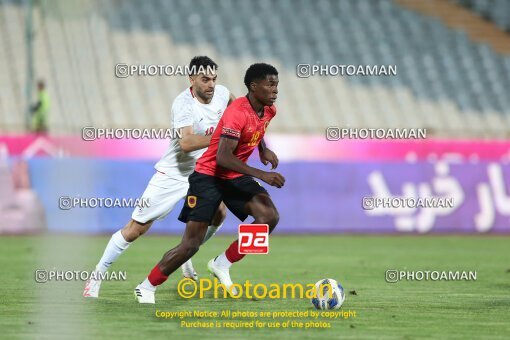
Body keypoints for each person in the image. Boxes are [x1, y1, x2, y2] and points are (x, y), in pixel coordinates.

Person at [84, 56, 235, 298]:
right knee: (136, 229)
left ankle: (187, 255)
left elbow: (233, 104)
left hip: (204, 171)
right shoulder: (183, 104)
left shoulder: (221, 93)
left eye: (214, 79)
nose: (211, 85)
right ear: (192, 79)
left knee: (219, 213)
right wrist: (224, 138)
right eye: (205, 79)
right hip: (175, 173)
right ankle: (96, 276)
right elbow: (186, 143)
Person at [134, 63, 285, 304]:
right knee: (190, 245)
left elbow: (257, 128)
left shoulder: (269, 110)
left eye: (276, 84)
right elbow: (223, 157)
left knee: (268, 218)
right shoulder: (236, 112)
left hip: (234, 175)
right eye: (270, 84)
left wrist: (264, 149)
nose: (276, 89)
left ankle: (222, 263)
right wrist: (261, 174)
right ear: (254, 87)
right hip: (209, 175)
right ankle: (147, 286)